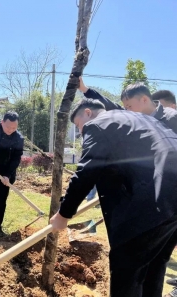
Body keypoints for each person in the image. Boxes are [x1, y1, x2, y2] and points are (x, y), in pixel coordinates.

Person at [50, 99, 177, 297]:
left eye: (77, 124)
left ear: (89, 113)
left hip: (154, 202)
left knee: (126, 269)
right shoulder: (134, 119)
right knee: (153, 266)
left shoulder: (98, 124)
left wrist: (64, 214)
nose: (80, 130)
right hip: (171, 200)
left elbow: (87, 171)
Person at [78, 77, 177, 133]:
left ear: (144, 99)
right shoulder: (134, 117)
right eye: (126, 107)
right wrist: (84, 89)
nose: (127, 111)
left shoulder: (171, 117)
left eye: (129, 106)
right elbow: (111, 106)